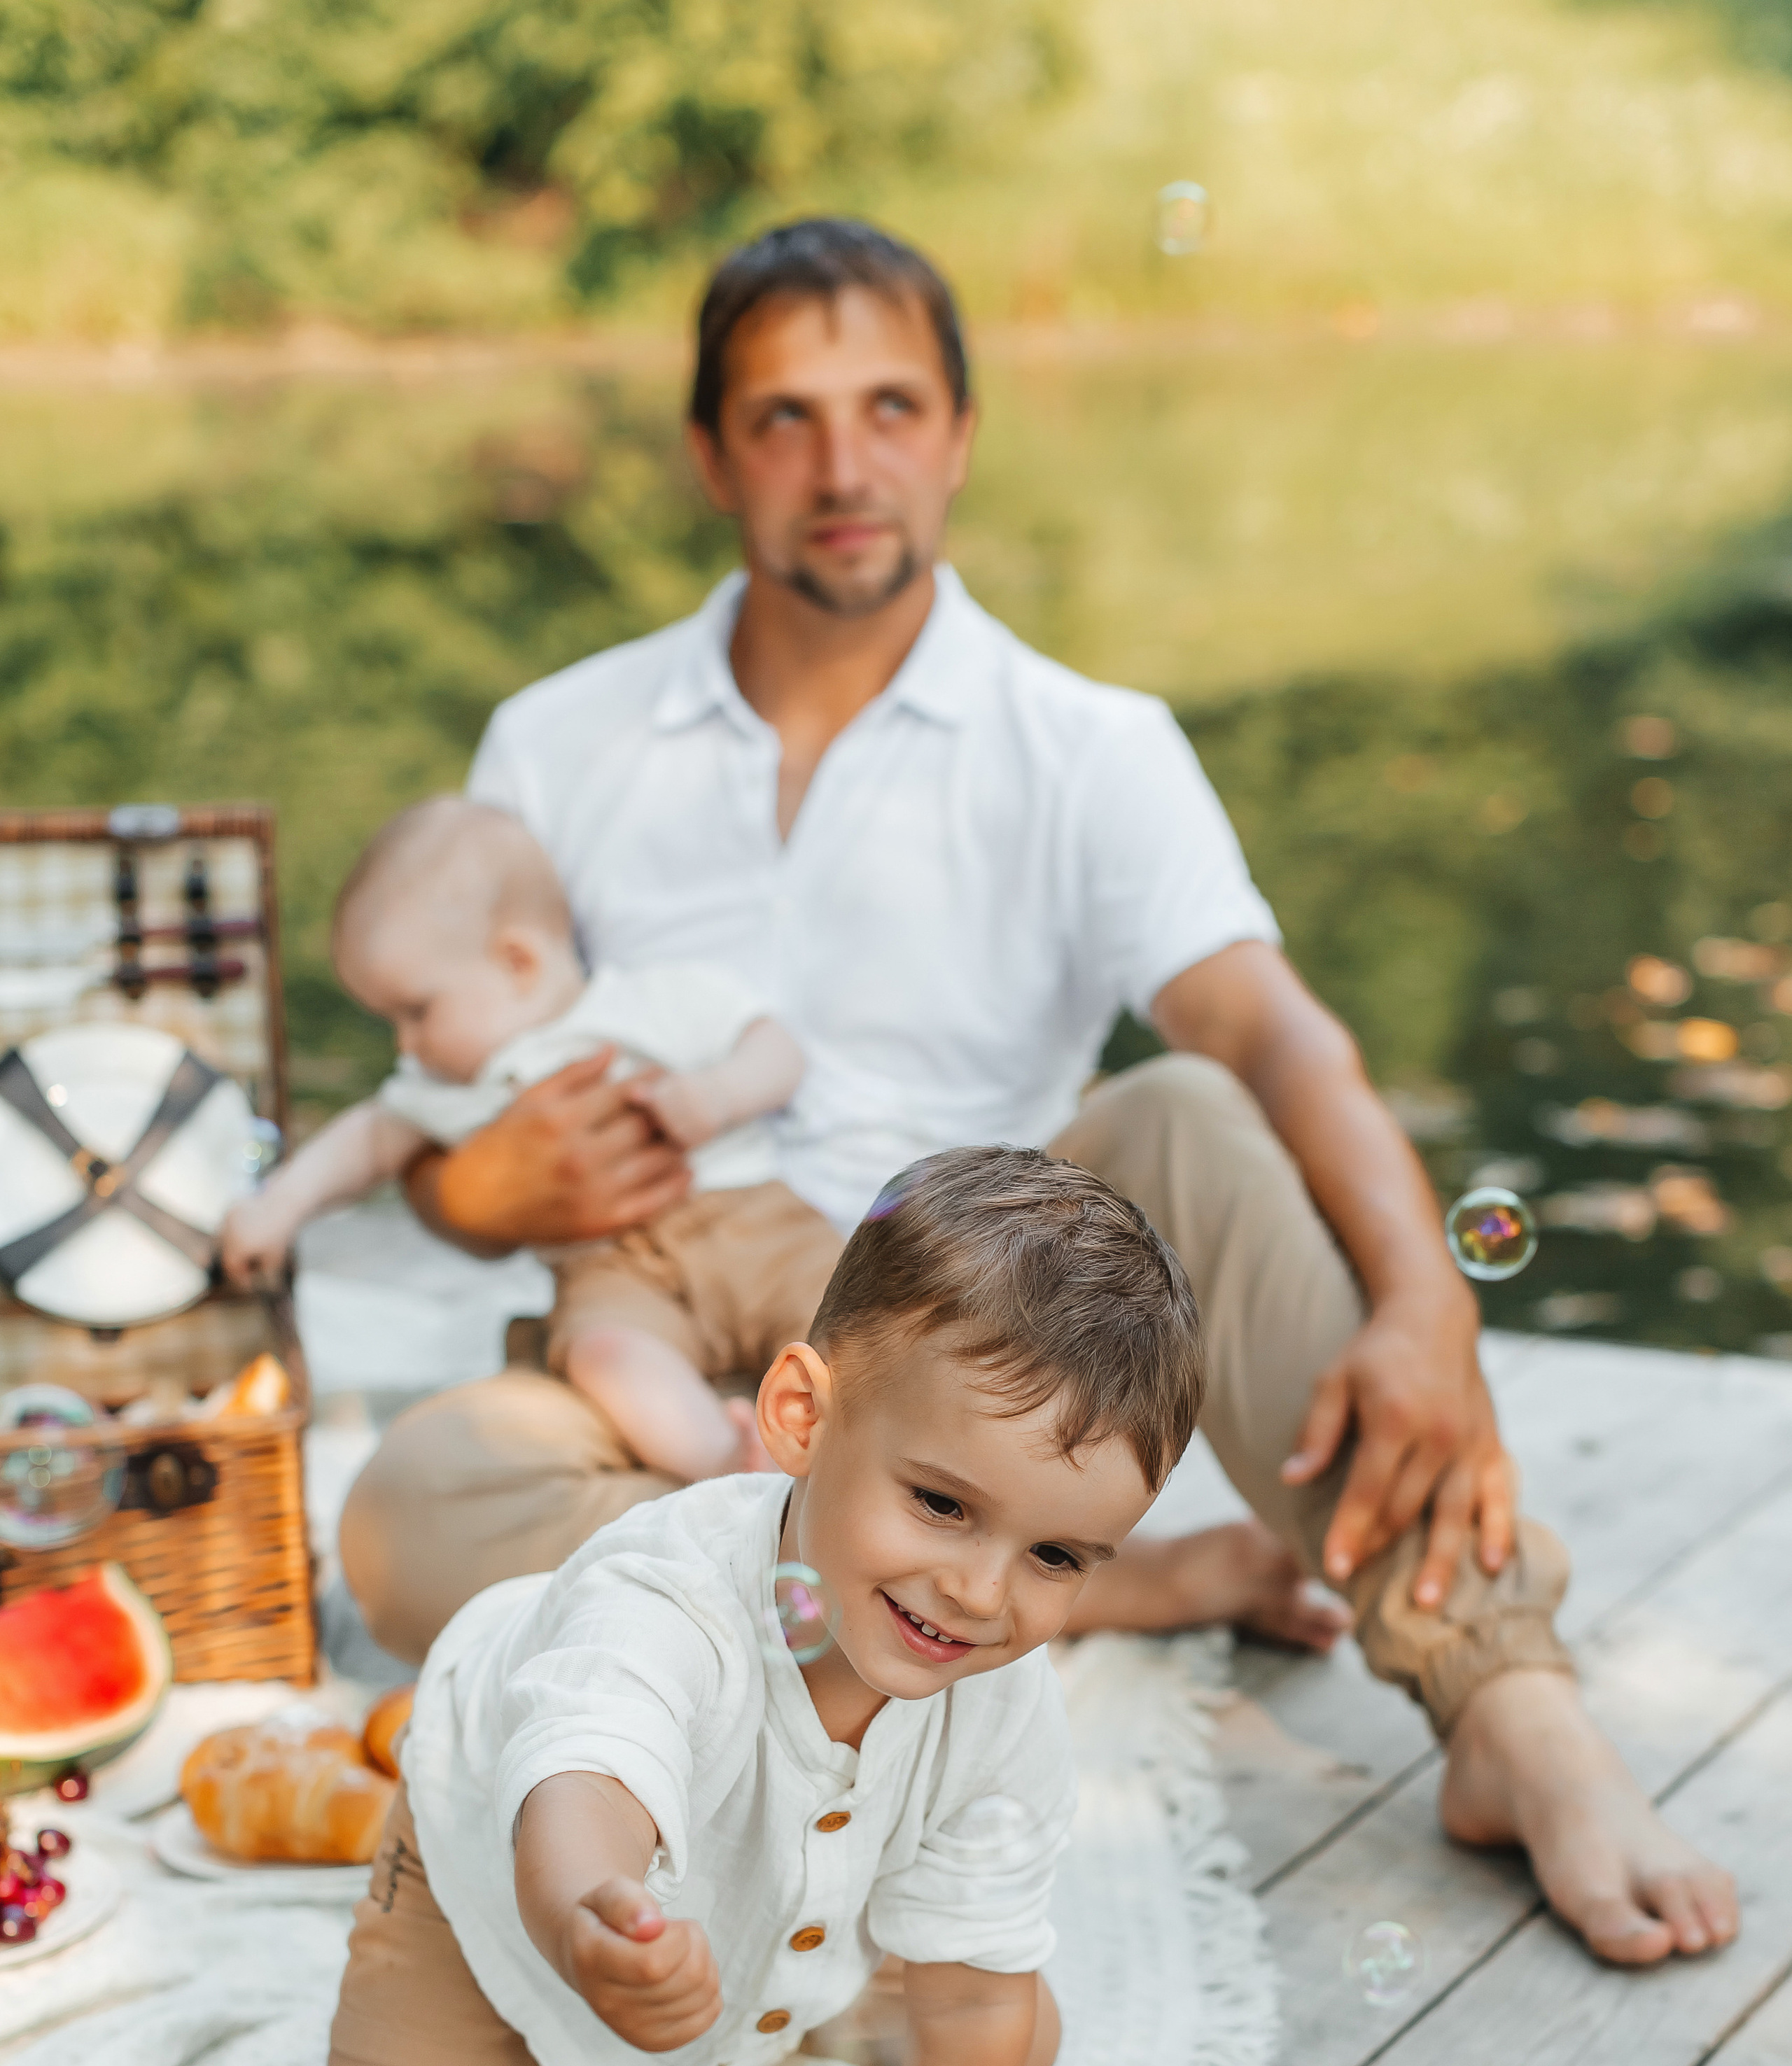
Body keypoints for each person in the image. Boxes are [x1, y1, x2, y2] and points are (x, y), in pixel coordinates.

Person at [339, 216, 1737, 1972]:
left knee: (1192, 1117)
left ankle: (1505, 1701)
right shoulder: (559, 738)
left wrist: (1422, 1293)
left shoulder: (1087, 743)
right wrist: (493, 1190)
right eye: (782, 418)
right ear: (709, 453)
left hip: (977, 1362)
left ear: (957, 432)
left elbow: (1275, 1027)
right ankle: (1093, 1580)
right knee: (407, 1504)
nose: (841, 465)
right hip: (671, 1369)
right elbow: (443, 1143)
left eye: (888, 405)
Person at [318, 1148, 1203, 2066]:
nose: (979, 1590)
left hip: (758, 1891)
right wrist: (588, 1917)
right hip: (510, 1850)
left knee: (1007, 2029)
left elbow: (978, 1991)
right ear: (802, 1416)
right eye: (941, 1504)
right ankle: (540, 2011)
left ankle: (787, 2001)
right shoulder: (667, 1594)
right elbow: (587, 1779)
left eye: (1056, 1557)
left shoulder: (1001, 1704)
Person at [223, 796, 839, 1483]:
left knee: (848, 1313)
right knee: (602, 1354)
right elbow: (366, 1142)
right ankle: (729, 1465)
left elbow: (777, 1050)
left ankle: (850, 1440)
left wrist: (717, 1095)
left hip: (751, 1223)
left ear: (517, 961)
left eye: (416, 1012)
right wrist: (276, 1210)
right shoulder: (453, 1083)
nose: (406, 1044)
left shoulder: (651, 1001)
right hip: (611, 1271)